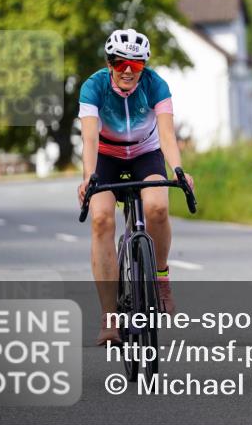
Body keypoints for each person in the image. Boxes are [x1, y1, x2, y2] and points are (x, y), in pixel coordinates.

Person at [76, 29, 194, 345]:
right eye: (120, 63)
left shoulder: (156, 85)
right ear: (109, 63)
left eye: (136, 64)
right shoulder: (93, 87)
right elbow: (89, 138)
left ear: (144, 66)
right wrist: (89, 177)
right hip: (106, 157)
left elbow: (167, 135)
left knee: (157, 207)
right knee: (102, 219)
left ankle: (161, 278)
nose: (127, 70)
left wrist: (179, 170)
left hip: (145, 154)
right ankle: (109, 317)